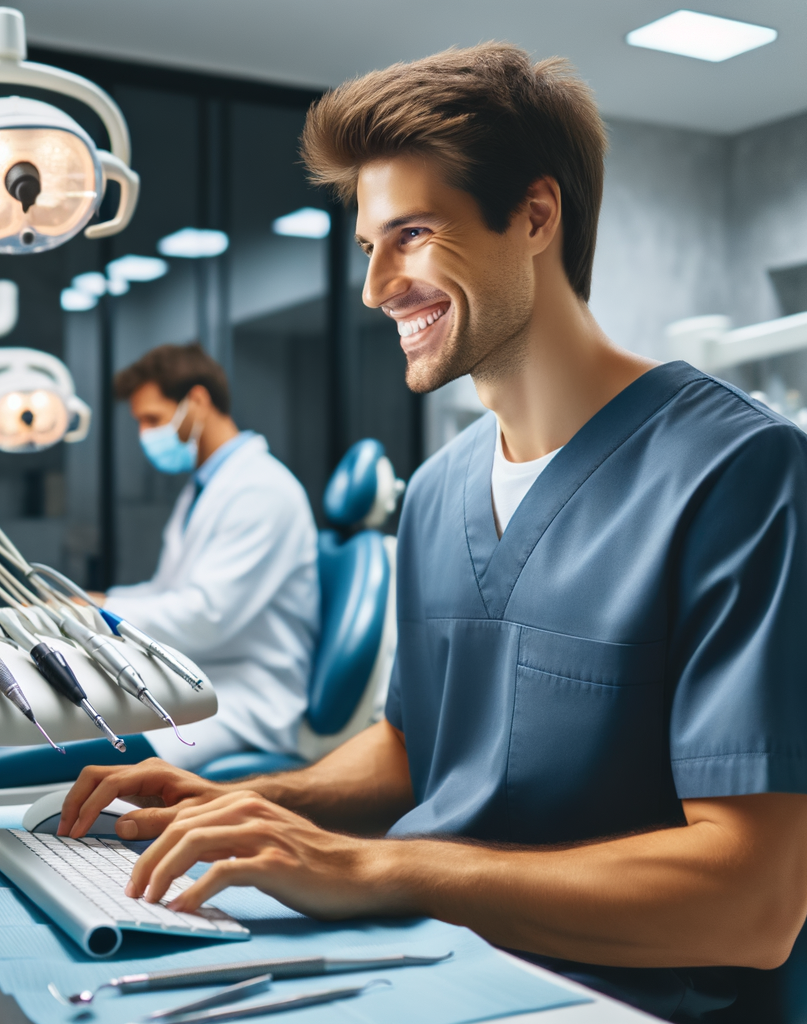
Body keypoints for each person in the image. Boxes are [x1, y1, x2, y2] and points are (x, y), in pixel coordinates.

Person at [60, 45, 807, 1021]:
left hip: (616, 998)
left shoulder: (737, 474)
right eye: (369, 246)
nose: (375, 288)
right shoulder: (440, 489)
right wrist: (258, 807)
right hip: (432, 957)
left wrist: (385, 868)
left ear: (534, 216)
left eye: (410, 234)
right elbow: (414, 753)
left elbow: (751, 904)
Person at [98, 342, 319, 771]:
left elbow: (206, 616)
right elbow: (168, 591)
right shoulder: (203, 489)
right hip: (196, 682)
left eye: (153, 419)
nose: (146, 435)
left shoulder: (262, 489)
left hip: (240, 699)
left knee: (70, 747)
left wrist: (103, 612)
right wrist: (93, 603)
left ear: (196, 402)